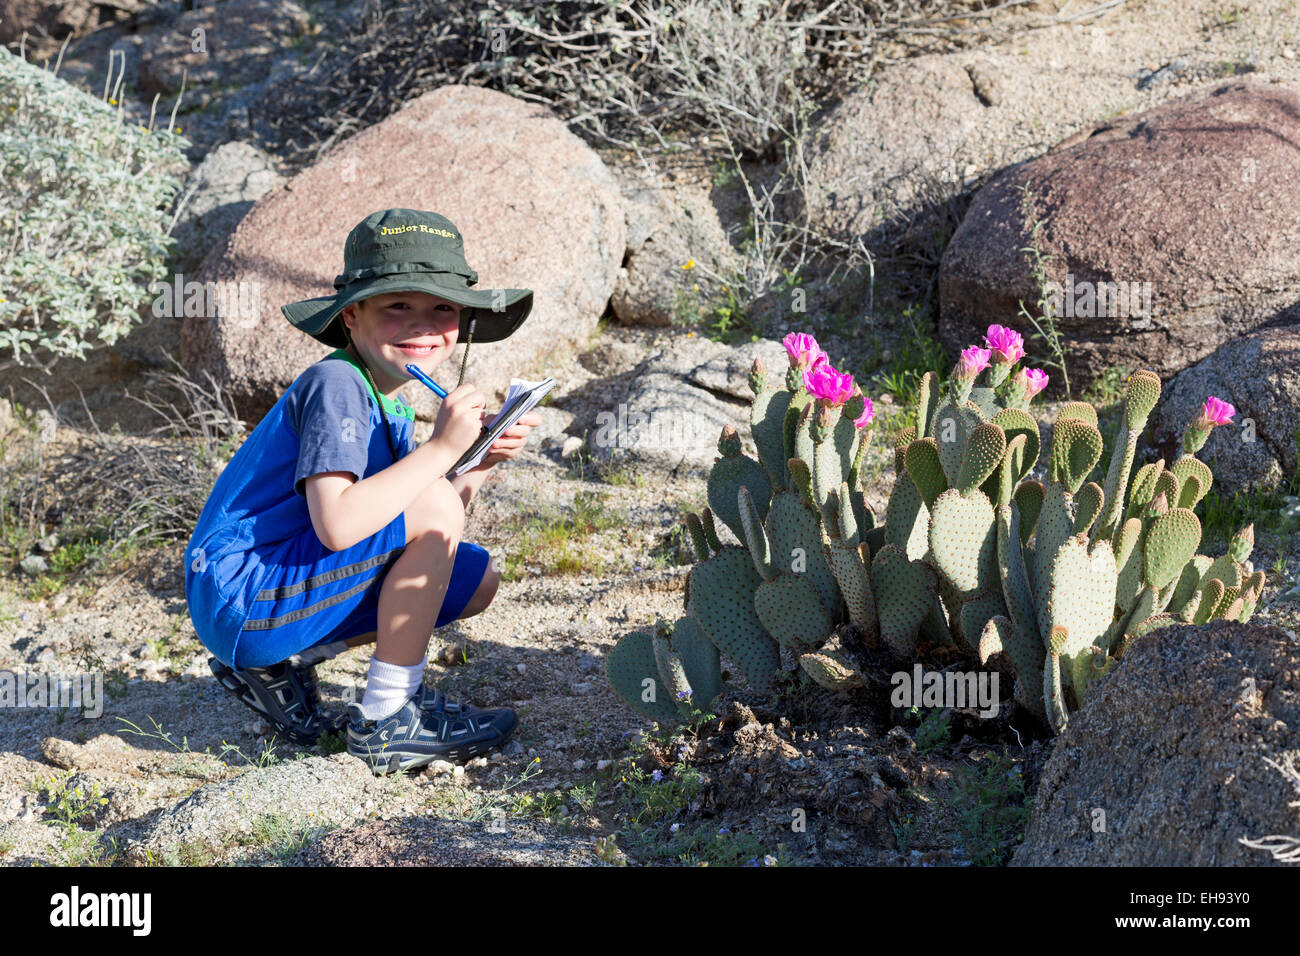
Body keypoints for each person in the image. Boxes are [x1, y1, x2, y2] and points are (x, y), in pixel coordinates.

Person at [185, 208, 541, 774]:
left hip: (270, 594)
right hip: (245, 597)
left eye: (442, 307)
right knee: (432, 502)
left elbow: (423, 538)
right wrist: (442, 450)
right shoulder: (337, 385)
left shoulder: (389, 400)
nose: (422, 324)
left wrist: (474, 462)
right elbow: (341, 527)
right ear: (351, 315)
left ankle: (279, 662)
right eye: (397, 304)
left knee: (475, 581)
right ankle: (387, 718)